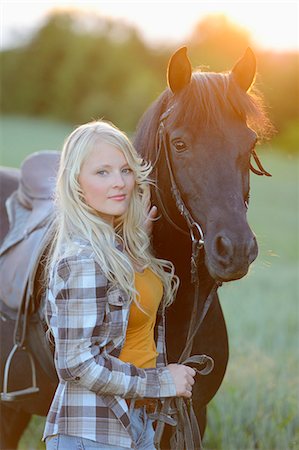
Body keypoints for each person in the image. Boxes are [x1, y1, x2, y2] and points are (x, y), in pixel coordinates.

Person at [42, 120, 196, 450]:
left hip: (134, 423)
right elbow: (76, 364)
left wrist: (133, 237)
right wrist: (160, 382)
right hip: (92, 430)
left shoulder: (116, 249)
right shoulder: (82, 258)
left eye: (125, 170)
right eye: (102, 172)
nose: (119, 183)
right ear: (76, 183)